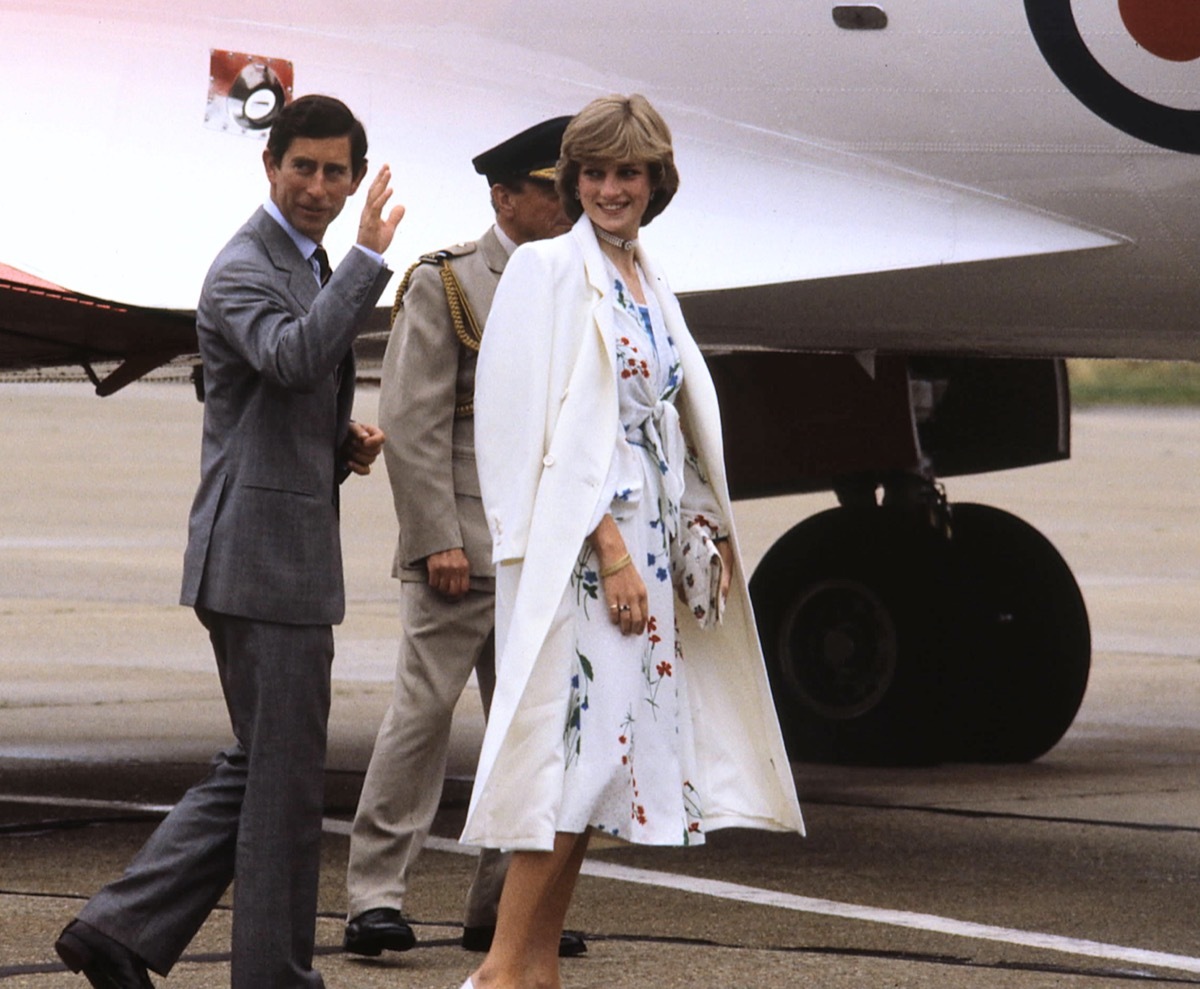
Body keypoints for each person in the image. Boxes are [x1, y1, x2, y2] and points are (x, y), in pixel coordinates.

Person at [53, 93, 405, 989]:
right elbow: (291, 356)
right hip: (262, 563)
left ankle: (117, 930)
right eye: (302, 167)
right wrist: (368, 260)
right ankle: (271, 977)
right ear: (269, 165)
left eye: (334, 172)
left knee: (262, 770)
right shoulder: (245, 266)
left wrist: (335, 440)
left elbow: (263, 395)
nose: (317, 186)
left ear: (354, 179)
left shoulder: (303, 262)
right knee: (283, 790)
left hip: (273, 550)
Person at [459, 93, 805, 989]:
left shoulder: (650, 277)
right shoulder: (545, 270)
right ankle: (499, 971)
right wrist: (609, 548)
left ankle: (535, 969)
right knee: (566, 772)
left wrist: (702, 525)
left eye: (629, 173)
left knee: (604, 768)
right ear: (572, 181)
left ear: (656, 181)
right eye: (595, 173)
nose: (611, 189)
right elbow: (528, 436)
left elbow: (669, 424)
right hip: (584, 559)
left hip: (649, 554)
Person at [342, 116, 586, 959]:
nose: (565, 204)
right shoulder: (446, 282)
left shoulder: (578, 277)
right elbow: (412, 421)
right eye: (550, 190)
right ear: (504, 196)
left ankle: (504, 908)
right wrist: (435, 536)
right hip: (465, 543)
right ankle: (375, 895)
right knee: (421, 719)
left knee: (533, 731)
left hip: (544, 547)